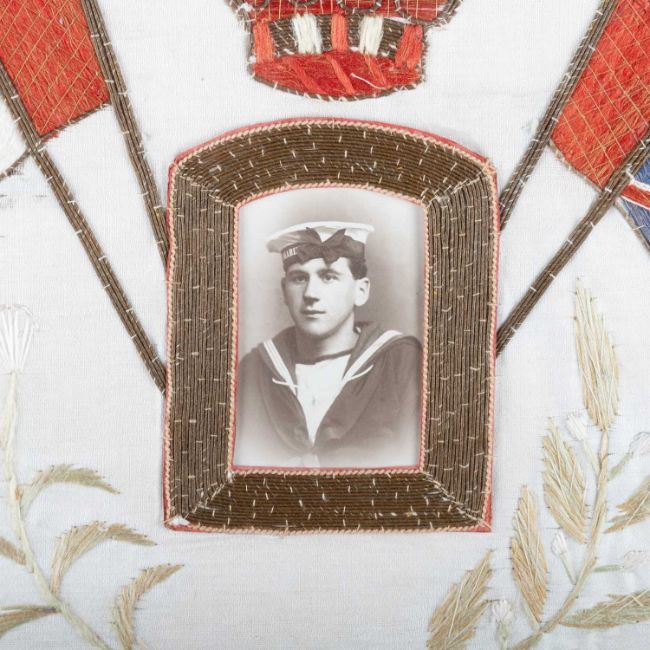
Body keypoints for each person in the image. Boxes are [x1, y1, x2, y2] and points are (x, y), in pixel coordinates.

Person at [233, 221, 422, 468]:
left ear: (361, 291)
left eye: (328, 277)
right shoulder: (254, 370)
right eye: (299, 278)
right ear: (284, 291)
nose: (311, 293)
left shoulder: (401, 362)